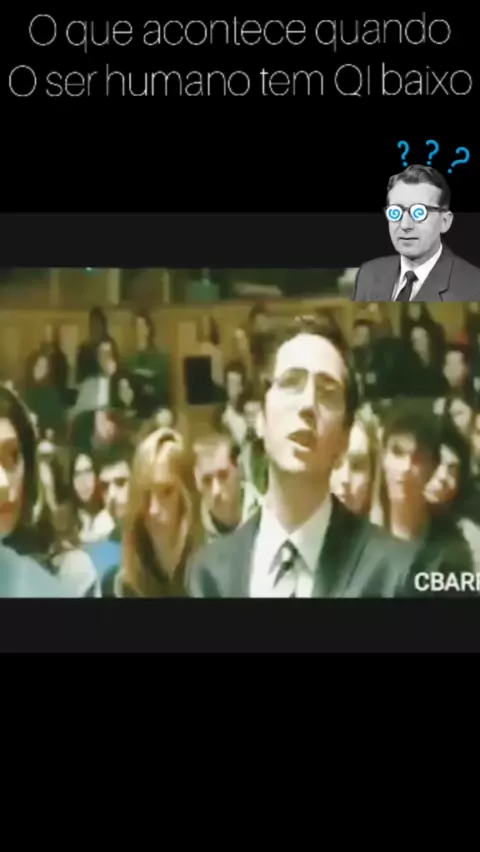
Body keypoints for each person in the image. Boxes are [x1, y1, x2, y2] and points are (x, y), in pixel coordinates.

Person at [187, 317, 423, 598]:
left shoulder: (395, 573)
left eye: (327, 393)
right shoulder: (209, 574)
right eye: (291, 383)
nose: (308, 404)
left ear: (344, 438)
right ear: (260, 418)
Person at [353, 165, 480, 302]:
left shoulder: (474, 287)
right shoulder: (368, 274)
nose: (405, 225)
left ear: (445, 221)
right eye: (395, 212)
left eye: (419, 213)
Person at [115, 428, 202, 597]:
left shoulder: (214, 570)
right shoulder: (127, 583)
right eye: (145, 495)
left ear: (187, 495)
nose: (153, 510)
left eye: (167, 492)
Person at [193, 433, 261, 543]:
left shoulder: (268, 514)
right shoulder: (194, 539)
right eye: (207, 480)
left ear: (238, 469)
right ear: (197, 481)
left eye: (223, 476)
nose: (216, 490)